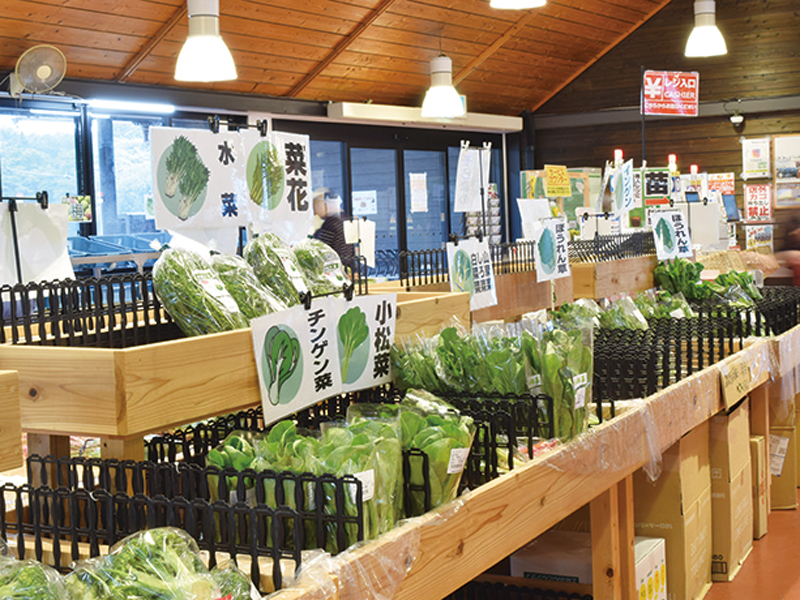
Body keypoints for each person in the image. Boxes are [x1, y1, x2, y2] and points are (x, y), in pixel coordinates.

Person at [312, 189, 354, 262]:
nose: (315, 212)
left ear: (322, 204)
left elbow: (319, 251)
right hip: (347, 266)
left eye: (315, 205)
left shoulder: (330, 223)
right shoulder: (345, 219)